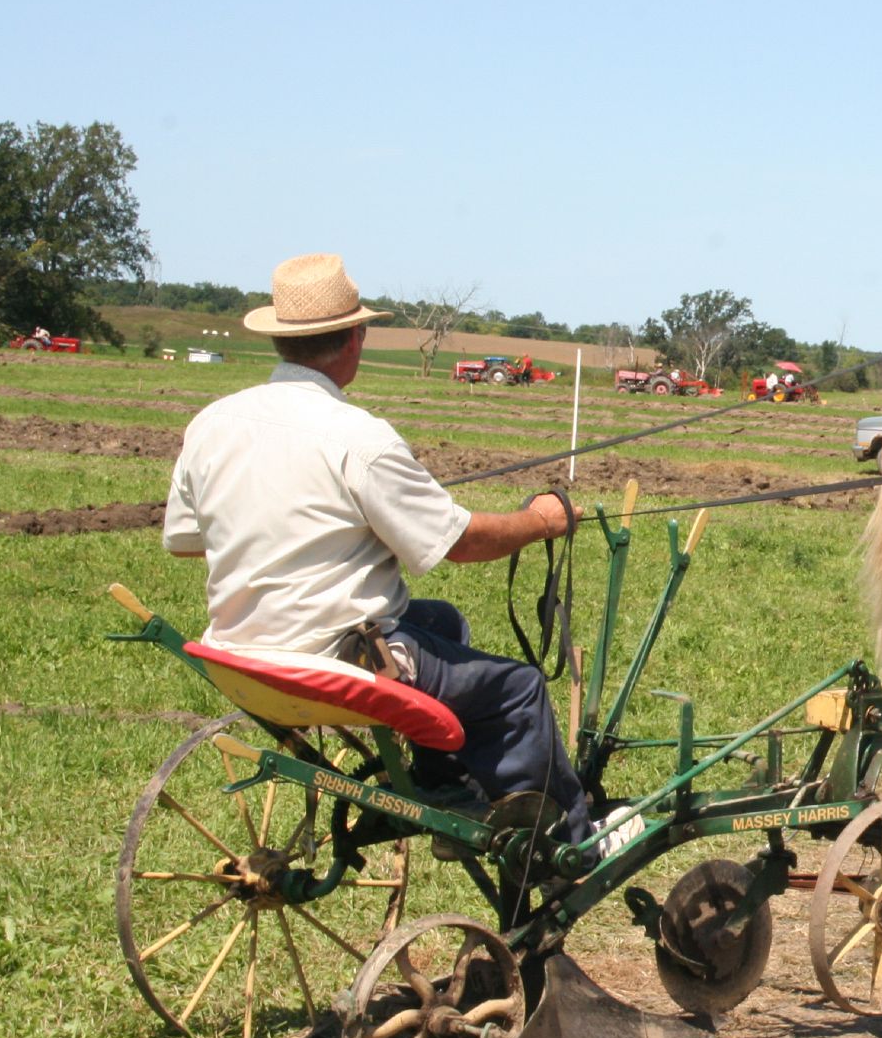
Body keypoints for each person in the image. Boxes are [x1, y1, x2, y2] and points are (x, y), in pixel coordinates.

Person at [163, 253, 632, 855]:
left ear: (280, 339)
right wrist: (541, 521)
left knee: (441, 622)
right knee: (518, 690)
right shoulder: (360, 438)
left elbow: (186, 542)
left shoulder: (212, 423)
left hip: (242, 649)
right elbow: (460, 543)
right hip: (337, 656)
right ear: (356, 339)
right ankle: (567, 840)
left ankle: (446, 781)